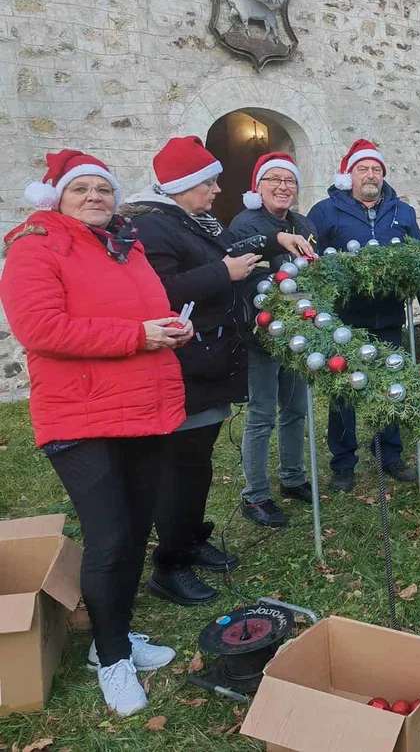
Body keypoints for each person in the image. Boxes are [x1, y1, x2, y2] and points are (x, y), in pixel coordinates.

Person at [1, 150, 187, 715]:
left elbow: (142, 316)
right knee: (108, 538)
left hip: (142, 409)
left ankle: (118, 634)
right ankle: (110, 659)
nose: (94, 198)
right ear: (56, 197)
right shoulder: (35, 248)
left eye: (103, 189)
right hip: (80, 417)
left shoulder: (125, 248)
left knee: (132, 533)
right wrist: (138, 335)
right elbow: (40, 328)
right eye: (81, 189)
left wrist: (169, 329)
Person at [129, 136, 311, 606]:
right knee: (179, 468)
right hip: (184, 364)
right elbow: (159, 292)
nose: (215, 189)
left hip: (208, 361)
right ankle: (169, 565)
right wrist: (222, 276)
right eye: (208, 182)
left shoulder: (196, 222)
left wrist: (275, 238)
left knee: (198, 465)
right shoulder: (154, 230)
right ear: (183, 186)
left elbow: (231, 249)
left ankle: (191, 538)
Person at [307, 139, 420, 493]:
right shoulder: (324, 212)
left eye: (376, 170)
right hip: (342, 322)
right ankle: (343, 462)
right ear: (348, 175)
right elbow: (310, 264)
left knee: (391, 387)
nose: (370, 175)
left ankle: (390, 454)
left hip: (388, 318)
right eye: (362, 169)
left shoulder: (402, 212)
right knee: (343, 392)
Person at [228, 152, 317, 527]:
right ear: (258, 187)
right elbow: (246, 253)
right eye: (274, 180)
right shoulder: (245, 222)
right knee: (262, 413)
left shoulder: (304, 223)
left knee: (296, 409)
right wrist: (277, 241)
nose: (283, 187)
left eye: (290, 181)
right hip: (260, 334)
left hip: (298, 334)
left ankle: (293, 477)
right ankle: (255, 496)